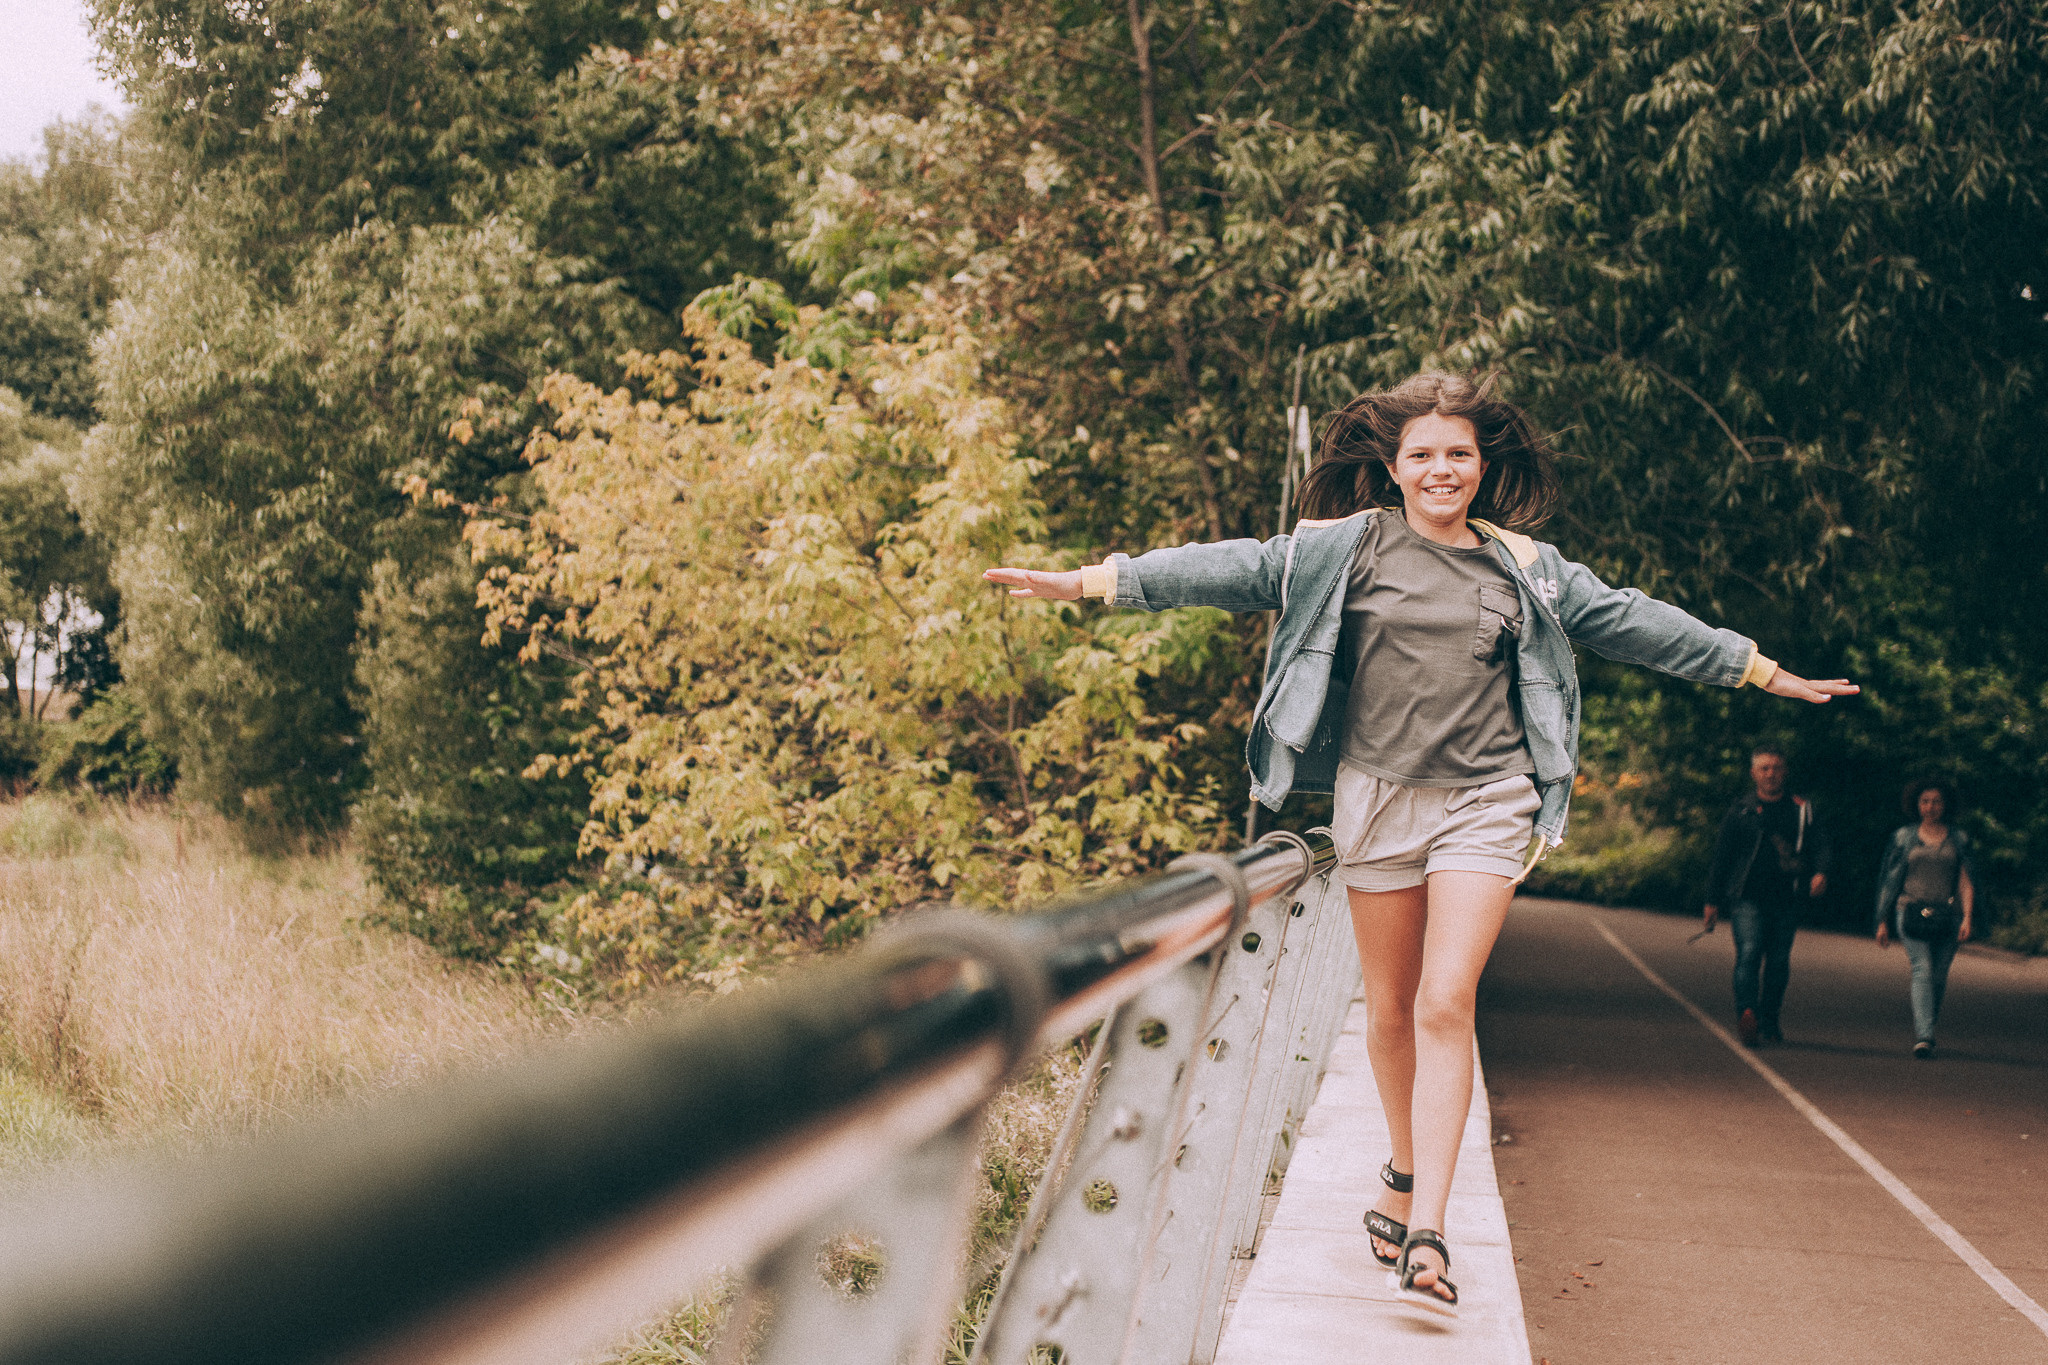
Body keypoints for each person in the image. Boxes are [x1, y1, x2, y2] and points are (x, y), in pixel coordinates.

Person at [982, 372, 1856, 1316]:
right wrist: (1093, 581)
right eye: (1424, 455)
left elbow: (1636, 619)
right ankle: (1401, 1166)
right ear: (1393, 468)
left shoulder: (1531, 569)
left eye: (1461, 453)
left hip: (1489, 801)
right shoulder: (1344, 550)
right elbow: (1231, 568)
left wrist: (1760, 668)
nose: (1444, 469)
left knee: (1446, 999)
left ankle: (1430, 1231)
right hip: (1377, 802)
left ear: (1484, 466)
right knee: (1391, 1008)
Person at [1702, 747, 1833, 1048]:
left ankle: (1770, 1019)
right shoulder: (1741, 811)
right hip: (1747, 898)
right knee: (1749, 952)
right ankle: (1747, 1013)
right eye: (1764, 768)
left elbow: (1821, 844)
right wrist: (1712, 901)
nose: (1770, 774)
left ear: (1784, 772)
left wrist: (1821, 872)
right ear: (1754, 773)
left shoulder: (1801, 809)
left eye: (1775, 768)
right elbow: (1722, 857)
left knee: (1777, 962)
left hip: (1787, 897)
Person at [1873, 779, 1977, 1058]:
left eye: (1936, 801)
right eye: (1925, 801)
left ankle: (1928, 1024)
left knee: (1939, 976)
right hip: (1909, 911)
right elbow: (1888, 881)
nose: (1930, 807)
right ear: (1916, 804)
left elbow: (1966, 881)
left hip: (1948, 914)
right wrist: (1882, 919)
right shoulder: (1903, 837)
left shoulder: (1959, 839)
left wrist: (1967, 917)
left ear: (1946, 805)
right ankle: (1924, 1036)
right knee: (1922, 968)